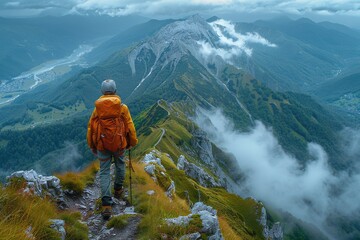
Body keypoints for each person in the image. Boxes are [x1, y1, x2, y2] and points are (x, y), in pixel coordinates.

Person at [87, 79, 138, 220]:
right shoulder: (122, 108)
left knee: (104, 172)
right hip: (119, 144)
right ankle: (118, 189)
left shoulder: (97, 110)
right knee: (120, 165)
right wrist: (132, 142)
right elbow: (130, 126)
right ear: (115, 91)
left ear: (102, 92)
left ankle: (106, 205)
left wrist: (92, 145)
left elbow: (91, 128)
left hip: (102, 145)